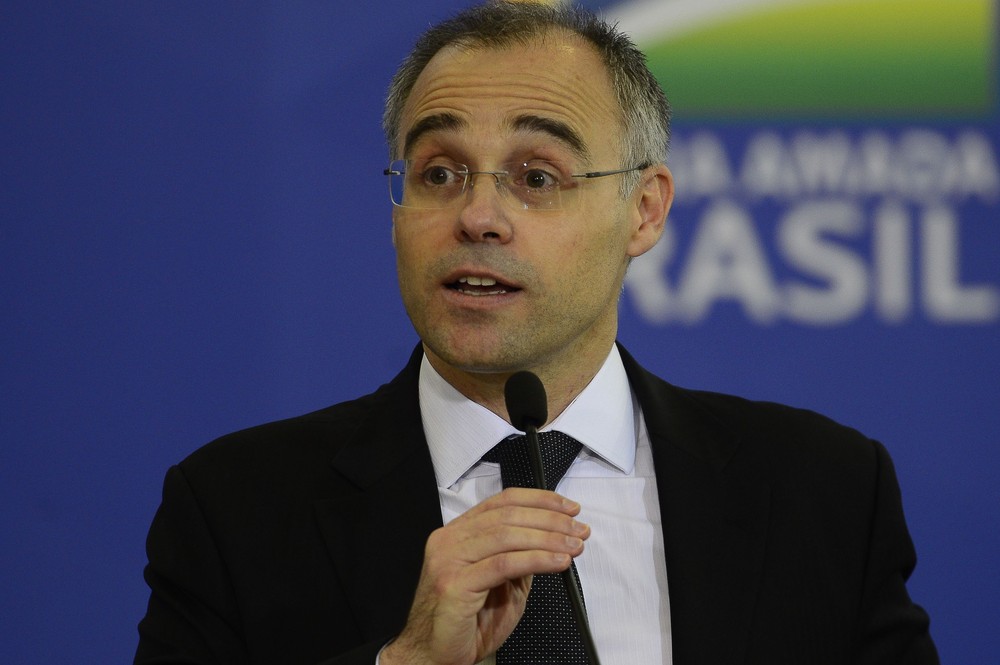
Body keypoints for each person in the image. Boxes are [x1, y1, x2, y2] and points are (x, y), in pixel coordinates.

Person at [134, 2, 938, 664]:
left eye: (537, 176)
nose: (478, 216)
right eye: (439, 172)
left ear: (644, 210)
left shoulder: (824, 492)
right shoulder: (236, 511)